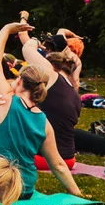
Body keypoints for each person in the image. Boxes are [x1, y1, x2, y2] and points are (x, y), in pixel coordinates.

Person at [0, 22, 82, 201]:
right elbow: (58, 165)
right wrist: (78, 194)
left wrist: (7, 29)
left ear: (19, 81)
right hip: (24, 189)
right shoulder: (44, 121)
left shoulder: (5, 100)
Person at [19, 28, 81, 169]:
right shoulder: (74, 95)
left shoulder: (52, 77)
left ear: (51, 66)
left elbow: (27, 49)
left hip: (47, 159)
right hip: (68, 158)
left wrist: (35, 42)